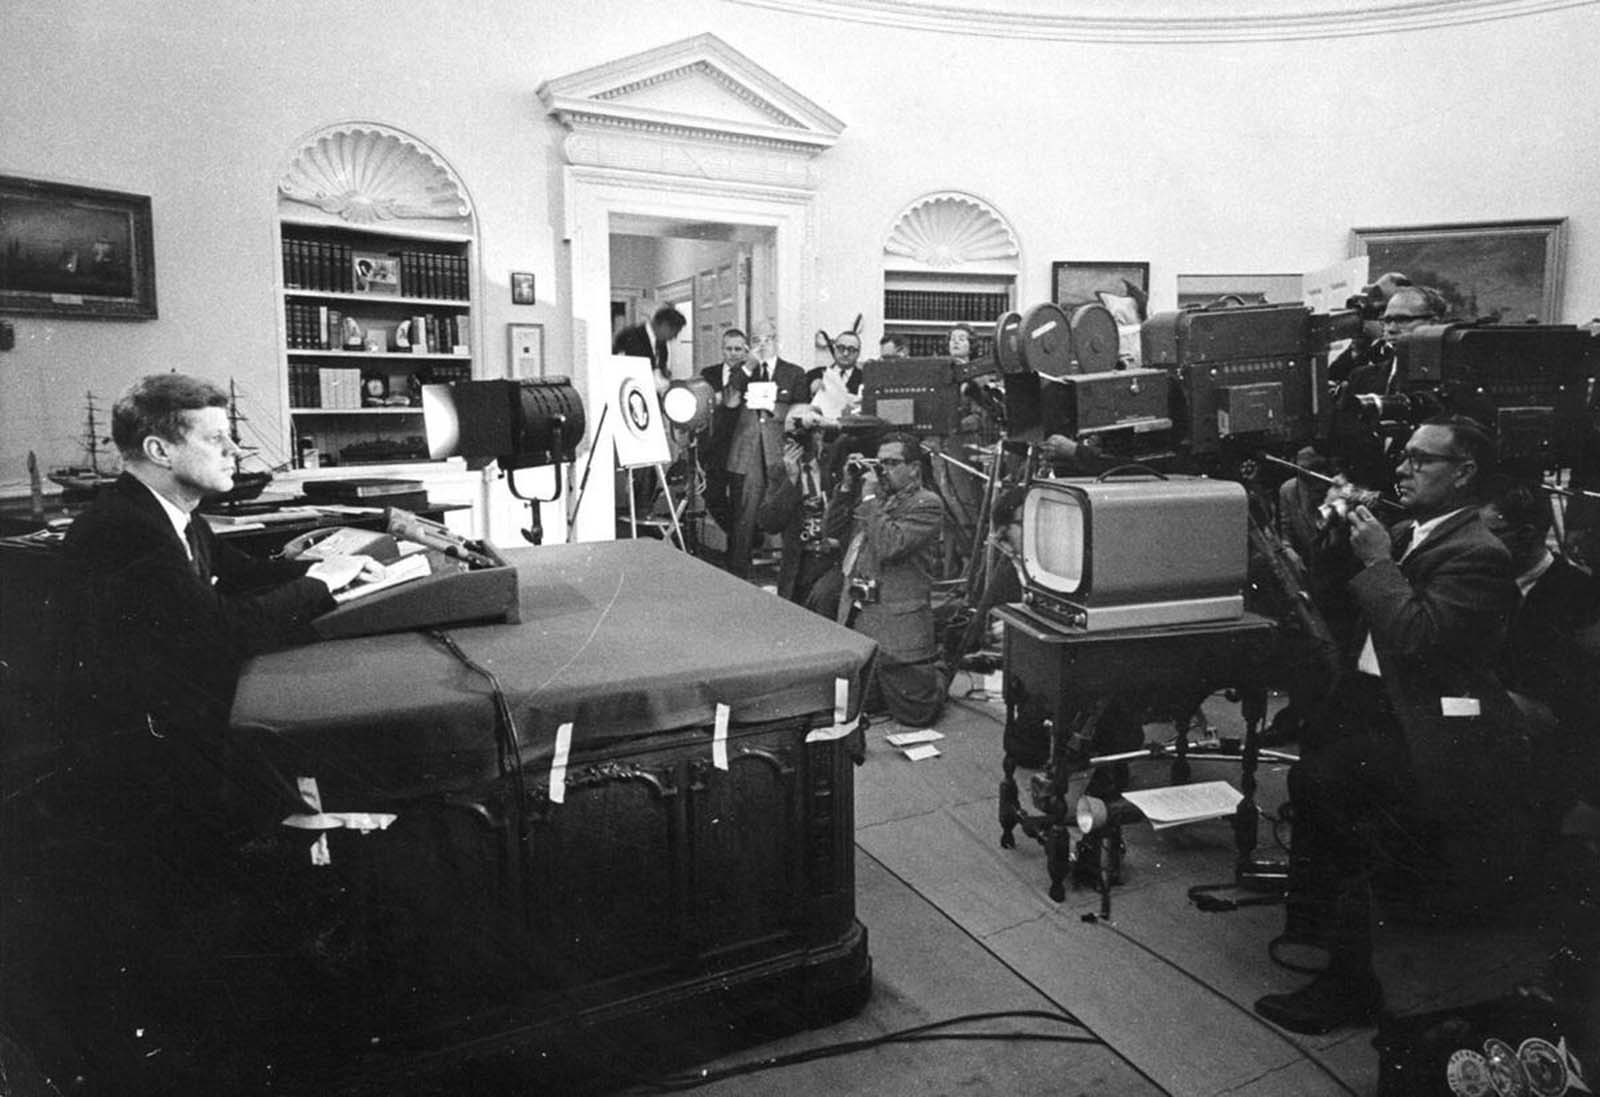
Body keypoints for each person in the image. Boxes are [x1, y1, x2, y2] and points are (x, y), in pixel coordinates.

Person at [1254, 415, 1530, 1036]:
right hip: (1371, 703)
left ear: (1464, 474)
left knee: (1360, 833)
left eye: (1421, 460)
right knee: (1318, 799)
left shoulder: (1479, 553)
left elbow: (1417, 641)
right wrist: (1334, 538)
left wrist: (1378, 559)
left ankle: (1351, 987)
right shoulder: (1411, 529)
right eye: (1402, 456)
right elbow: (1340, 603)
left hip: (1424, 728)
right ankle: (1328, 948)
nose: (1402, 469)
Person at [59, 373, 377, 837]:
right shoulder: (123, 528)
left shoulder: (172, 513)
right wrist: (321, 584)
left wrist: (338, 567)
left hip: (178, 720)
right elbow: (220, 631)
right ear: (159, 451)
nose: (236, 449)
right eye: (215, 438)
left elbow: (244, 574)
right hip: (142, 754)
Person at [1479, 476, 1600, 823]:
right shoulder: (1477, 581)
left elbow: (1575, 705)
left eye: (1487, 533)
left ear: (1528, 534)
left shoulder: (1581, 597)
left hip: (1550, 764)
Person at [822, 433, 947, 727]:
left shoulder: (926, 504)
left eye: (892, 463)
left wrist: (868, 497)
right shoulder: (874, 499)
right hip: (859, 621)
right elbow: (832, 530)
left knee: (916, 715)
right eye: (880, 463)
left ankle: (940, 668)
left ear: (914, 468)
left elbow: (891, 545)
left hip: (898, 634)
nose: (883, 470)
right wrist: (846, 487)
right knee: (853, 709)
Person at [715, 319, 807, 579]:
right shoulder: (743, 370)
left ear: (776, 339)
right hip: (748, 450)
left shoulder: (794, 372)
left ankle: (789, 576)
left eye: (767, 339)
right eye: (756, 340)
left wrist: (776, 410)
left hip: (780, 447)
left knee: (785, 507)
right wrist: (749, 365)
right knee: (743, 514)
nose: (762, 344)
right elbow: (731, 399)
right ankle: (738, 575)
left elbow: (800, 410)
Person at [754, 405, 838, 605]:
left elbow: (875, 428)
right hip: (799, 563)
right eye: (790, 436)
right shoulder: (780, 471)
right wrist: (790, 482)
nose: (798, 441)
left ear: (819, 433)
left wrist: (821, 422)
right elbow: (768, 523)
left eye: (805, 434)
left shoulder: (836, 462)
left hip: (833, 561)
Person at [699, 327, 753, 531]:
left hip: (743, 445)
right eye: (729, 348)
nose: (733, 353)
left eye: (738, 349)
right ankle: (738, 535)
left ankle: (739, 549)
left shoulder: (754, 374)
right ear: (722, 350)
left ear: (745, 351)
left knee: (743, 500)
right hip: (716, 447)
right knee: (713, 498)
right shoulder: (708, 374)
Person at [612, 304, 686, 383]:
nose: (674, 337)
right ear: (664, 325)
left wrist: (664, 375)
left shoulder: (662, 343)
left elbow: (661, 368)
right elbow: (627, 371)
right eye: (674, 332)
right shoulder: (630, 336)